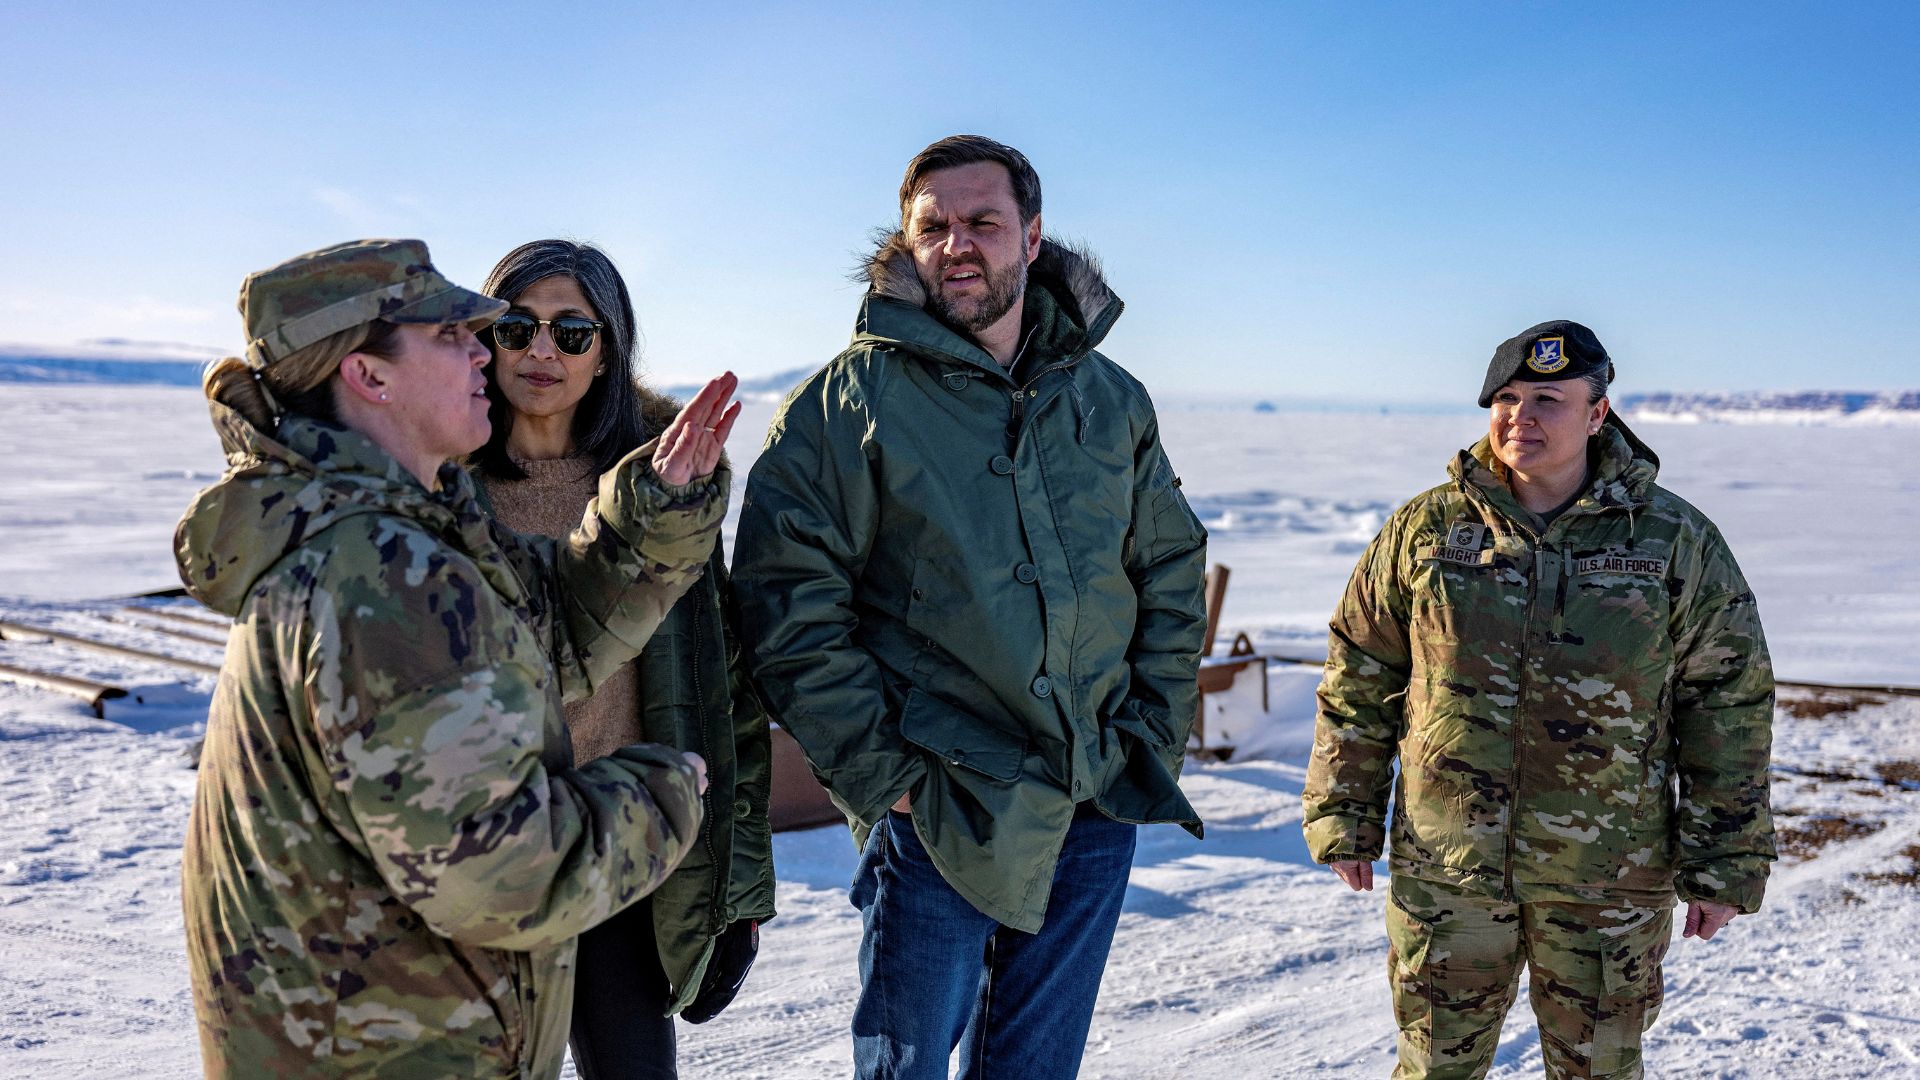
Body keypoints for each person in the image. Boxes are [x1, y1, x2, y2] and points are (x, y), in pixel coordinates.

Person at [176, 238, 742, 1079]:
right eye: (455, 336)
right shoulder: (380, 576)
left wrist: (651, 515)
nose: (490, 351)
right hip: (390, 1046)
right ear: (370, 377)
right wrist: (658, 797)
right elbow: (498, 876)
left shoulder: (400, 532)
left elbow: (550, 632)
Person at [732, 135, 1208, 1080]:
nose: (958, 244)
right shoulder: (847, 402)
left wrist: (1146, 731)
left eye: (982, 222)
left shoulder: (1110, 400)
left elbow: (1168, 567)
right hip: (939, 805)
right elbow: (787, 603)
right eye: (933, 227)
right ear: (906, 245)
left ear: (1031, 238)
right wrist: (884, 774)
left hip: (1089, 795)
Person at [1302, 320, 1775, 1079]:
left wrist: (1726, 858)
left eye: (1548, 399)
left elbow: (1729, 703)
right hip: (1449, 871)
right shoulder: (1428, 530)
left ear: (1597, 414)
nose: (1521, 416)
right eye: (1508, 398)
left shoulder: (1671, 541)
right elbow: (1361, 673)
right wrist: (1343, 810)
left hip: (1607, 880)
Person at [469, 238, 775, 1080]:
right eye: (516, 327)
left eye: (571, 333)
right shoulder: (435, 484)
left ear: (607, 353)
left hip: (620, 845)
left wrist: (738, 884)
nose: (540, 352)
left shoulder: (661, 489)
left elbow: (724, 692)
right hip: (479, 856)